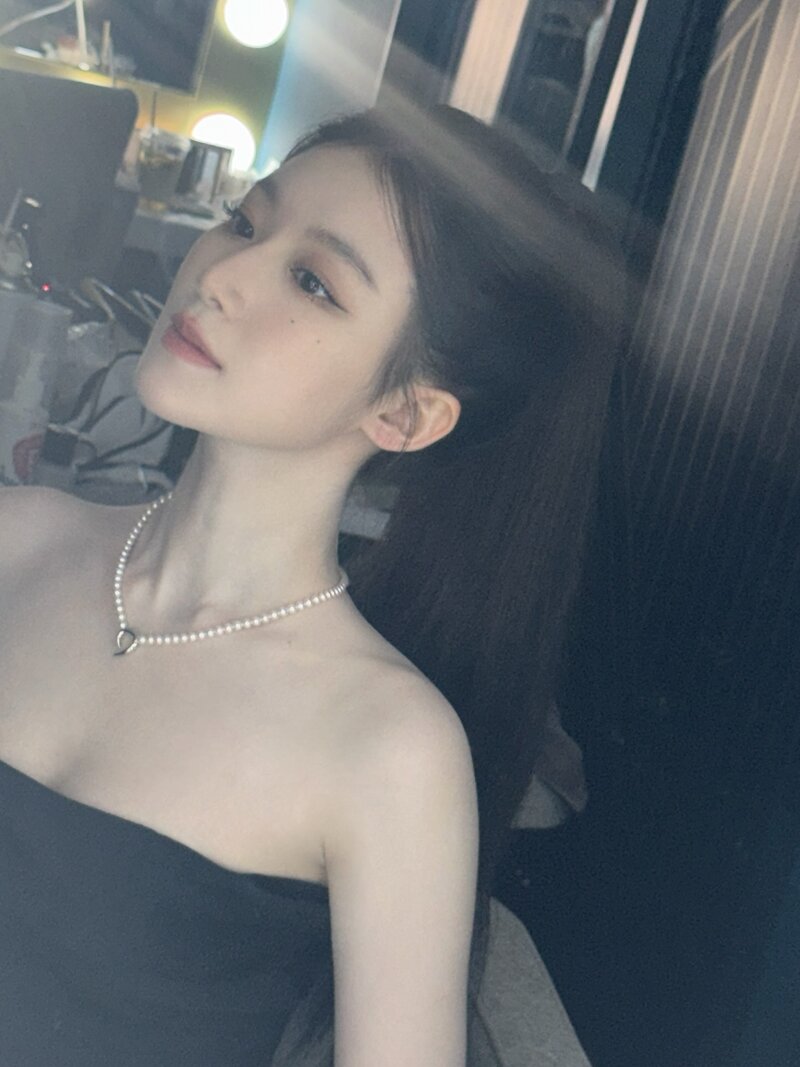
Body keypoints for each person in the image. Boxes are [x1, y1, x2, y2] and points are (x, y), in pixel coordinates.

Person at [0, 104, 622, 1065]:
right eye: (244, 221)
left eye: (313, 282)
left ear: (405, 415)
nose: (221, 274)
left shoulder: (389, 751)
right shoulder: (17, 539)